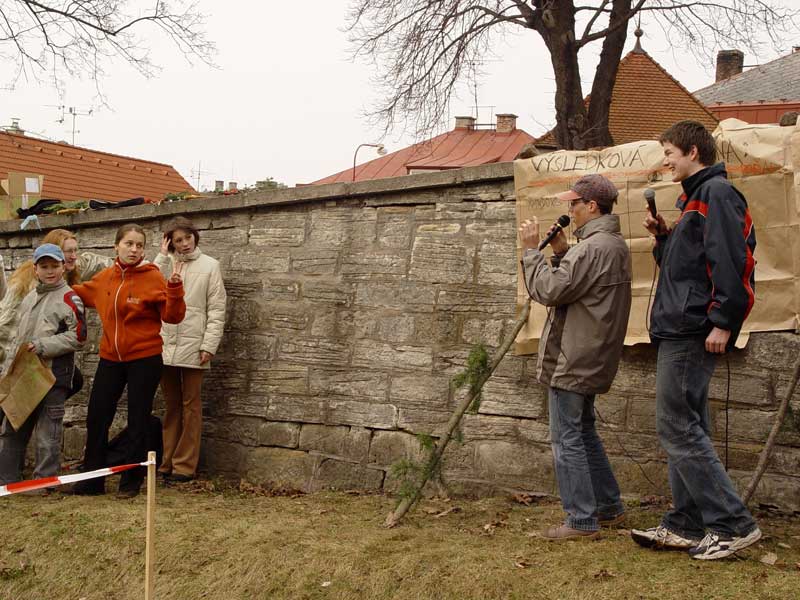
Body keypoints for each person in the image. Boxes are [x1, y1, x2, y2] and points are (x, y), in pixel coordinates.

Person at [631, 120, 761, 560]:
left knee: (677, 426)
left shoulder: (716, 194)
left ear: (692, 151)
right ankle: (685, 524)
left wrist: (724, 320)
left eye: (669, 152)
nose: (664, 161)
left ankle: (733, 524)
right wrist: (664, 238)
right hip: (681, 325)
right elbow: (686, 268)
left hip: (692, 328)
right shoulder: (694, 199)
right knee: (688, 426)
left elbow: (732, 260)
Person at [519, 174, 632, 540]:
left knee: (567, 438)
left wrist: (531, 253)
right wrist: (561, 253)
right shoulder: (612, 244)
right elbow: (582, 288)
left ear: (592, 206)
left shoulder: (592, 248)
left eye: (574, 203)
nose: (570, 209)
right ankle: (609, 508)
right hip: (591, 354)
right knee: (583, 432)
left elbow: (550, 290)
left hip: (573, 357)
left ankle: (581, 521)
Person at [68, 224, 185, 498]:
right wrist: (53, 277)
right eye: (129, 244)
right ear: (116, 246)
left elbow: (173, 316)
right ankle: (92, 481)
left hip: (145, 358)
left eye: (139, 245)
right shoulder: (105, 278)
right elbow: (76, 293)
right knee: (97, 416)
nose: (134, 250)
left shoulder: (152, 277)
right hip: (110, 357)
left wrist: (175, 288)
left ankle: (130, 482)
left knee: (138, 419)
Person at [0, 244, 86, 489]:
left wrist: (42, 345)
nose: (50, 271)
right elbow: (17, 337)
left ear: (63, 267)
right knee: (12, 428)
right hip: (24, 375)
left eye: (54, 266)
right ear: (35, 269)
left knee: (48, 434)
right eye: (44, 266)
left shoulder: (70, 298)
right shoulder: (29, 298)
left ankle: (44, 483)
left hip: (53, 376)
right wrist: (9, 368)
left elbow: (79, 337)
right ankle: (6, 480)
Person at [154, 216, 226, 482]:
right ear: (170, 243)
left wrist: (209, 345)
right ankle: (166, 462)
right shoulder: (164, 263)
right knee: (171, 405)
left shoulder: (210, 266)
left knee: (191, 406)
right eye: (178, 240)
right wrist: (162, 256)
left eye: (188, 237)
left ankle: (184, 466)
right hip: (164, 346)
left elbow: (217, 309)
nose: (184, 244)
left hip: (195, 346)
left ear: (195, 236)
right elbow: (148, 283)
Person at [0, 228, 111, 369]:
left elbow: (94, 262)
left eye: (75, 250)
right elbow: (7, 324)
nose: (74, 256)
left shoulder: (71, 267)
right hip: (31, 357)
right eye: (69, 251)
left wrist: (128, 265)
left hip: (53, 354)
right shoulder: (25, 285)